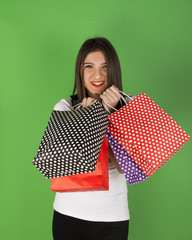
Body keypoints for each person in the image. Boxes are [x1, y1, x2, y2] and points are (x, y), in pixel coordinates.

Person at [52, 37, 135, 240]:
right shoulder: (65, 108)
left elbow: (127, 166)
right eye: (89, 66)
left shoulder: (130, 105)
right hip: (68, 213)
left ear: (114, 69)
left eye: (105, 67)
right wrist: (88, 120)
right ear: (80, 71)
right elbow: (67, 163)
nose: (97, 74)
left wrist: (116, 111)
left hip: (113, 217)